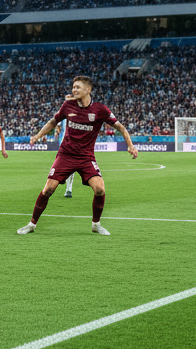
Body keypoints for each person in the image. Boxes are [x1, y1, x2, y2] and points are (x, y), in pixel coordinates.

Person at [16, 75, 137, 236]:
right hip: (65, 155)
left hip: (86, 158)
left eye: (77, 87)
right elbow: (53, 122)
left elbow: (120, 127)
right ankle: (32, 224)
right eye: (73, 87)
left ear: (88, 89)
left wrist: (130, 145)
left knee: (100, 189)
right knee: (48, 189)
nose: (74, 90)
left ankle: (96, 224)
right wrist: (37, 136)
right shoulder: (68, 105)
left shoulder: (100, 110)